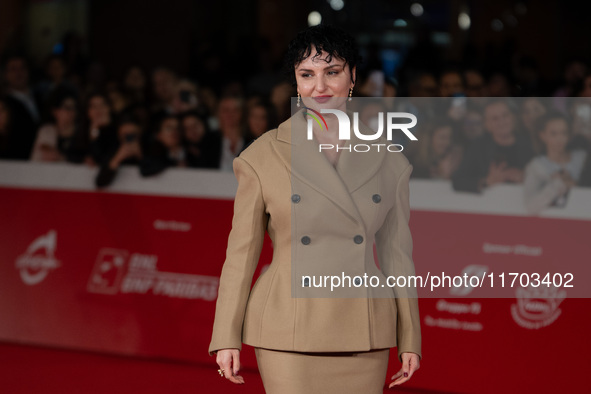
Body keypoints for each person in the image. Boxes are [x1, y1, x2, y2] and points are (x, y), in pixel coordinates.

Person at [209, 24, 421, 394]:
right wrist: (225, 335)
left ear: (353, 76)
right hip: (287, 325)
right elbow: (241, 253)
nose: (319, 87)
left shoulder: (390, 159)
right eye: (307, 74)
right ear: (295, 81)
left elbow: (397, 256)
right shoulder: (262, 155)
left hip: (363, 327)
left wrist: (410, 338)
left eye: (332, 72)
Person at [452, 99, 535, 193]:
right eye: (495, 118)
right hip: (489, 204)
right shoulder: (478, 147)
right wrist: (487, 181)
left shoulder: (530, 144)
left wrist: (527, 178)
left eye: (505, 115)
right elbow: (457, 181)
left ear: (513, 117)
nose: (502, 121)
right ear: (487, 125)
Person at [524, 111, 587, 214]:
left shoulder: (582, 158)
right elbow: (531, 206)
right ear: (542, 135)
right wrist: (558, 183)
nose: (560, 139)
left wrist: (576, 184)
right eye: (554, 134)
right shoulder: (536, 166)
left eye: (564, 133)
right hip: (558, 222)